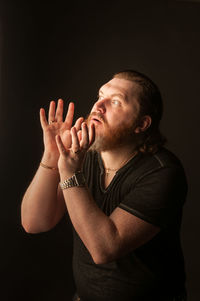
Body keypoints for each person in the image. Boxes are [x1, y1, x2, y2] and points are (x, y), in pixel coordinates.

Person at [21, 70, 188, 301]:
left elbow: (105, 249)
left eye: (115, 101)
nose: (99, 106)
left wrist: (69, 172)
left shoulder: (162, 172)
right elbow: (35, 222)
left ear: (141, 123)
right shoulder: (81, 154)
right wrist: (52, 155)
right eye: (100, 95)